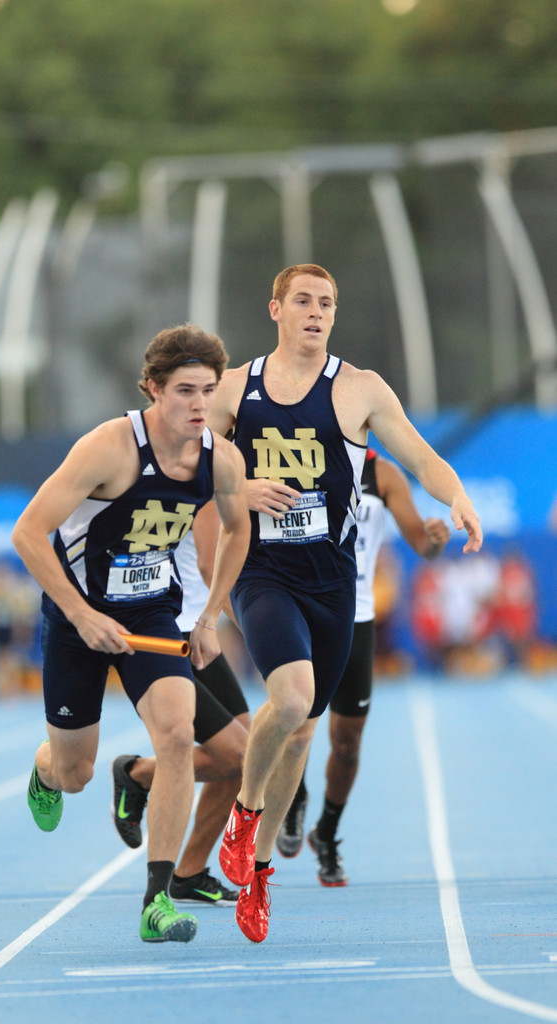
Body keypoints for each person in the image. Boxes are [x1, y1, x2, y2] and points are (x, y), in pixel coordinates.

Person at [207, 263, 483, 943]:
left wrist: (457, 497)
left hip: (334, 584)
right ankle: (242, 818)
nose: (315, 311)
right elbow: (184, 464)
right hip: (262, 572)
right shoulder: (234, 388)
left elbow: (418, 457)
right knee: (293, 699)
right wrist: (238, 495)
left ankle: (260, 867)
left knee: (301, 731)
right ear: (274, 308)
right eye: (301, 300)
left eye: (326, 302)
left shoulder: (358, 389)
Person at [11, 323, 250, 944]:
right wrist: (84, 615)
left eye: (208, 391)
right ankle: (45, 769)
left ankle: (157, 899)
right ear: (152, 389)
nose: (200, 406)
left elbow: (236, 529)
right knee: (76, 773)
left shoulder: (221, 457)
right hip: (77, 619)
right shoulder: (108, 448)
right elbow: (28, 534)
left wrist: (210, 616)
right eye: (185, 392)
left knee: (174, 734)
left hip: (150, 617)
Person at [275, 447, 451, 884]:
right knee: (296, 720)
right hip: (302, 608)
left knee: (347, 739)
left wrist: (433, 538)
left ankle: (328, 833)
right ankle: (293, 797)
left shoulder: (383, 473)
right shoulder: (296, 458)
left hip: (356, 614)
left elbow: (421, 544)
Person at [111, 499, 252, 906]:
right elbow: (209, 566)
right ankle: (137, 773)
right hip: (179, 634)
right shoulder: (205, 473)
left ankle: (188, 873)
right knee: (242, 755)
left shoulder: (230, 471)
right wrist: (255, 630)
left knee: (247, 760)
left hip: (195, 629)